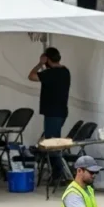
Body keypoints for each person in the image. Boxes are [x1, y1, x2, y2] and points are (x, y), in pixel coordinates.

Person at [28, 47, 71, 182]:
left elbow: (31, 76)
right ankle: (58, 173)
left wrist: (40, 64)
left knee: (52, 143)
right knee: (53, 141)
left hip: (52, 113)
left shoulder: (51, 73)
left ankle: (59, 173)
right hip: (61, 111)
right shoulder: (65, 71)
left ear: (47, 59)